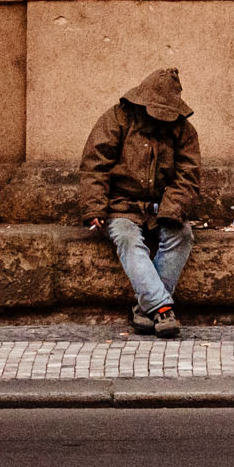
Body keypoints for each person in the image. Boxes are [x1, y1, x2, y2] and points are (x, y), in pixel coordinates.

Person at [80, 67, 201, 338]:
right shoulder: (116, 119)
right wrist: (94, 207)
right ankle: (160, 309)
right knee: (126, 237)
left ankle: (145, 308)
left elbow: (188, 177)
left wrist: (172, 211)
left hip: (163, 206)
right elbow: (95, 165)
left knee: (182, 235)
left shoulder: (184, 131)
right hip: (121, 205)